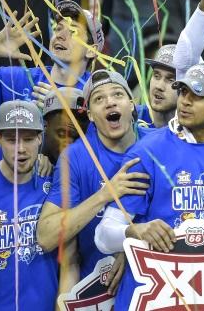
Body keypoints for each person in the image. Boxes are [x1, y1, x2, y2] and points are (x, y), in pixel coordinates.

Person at [95, 62, 204, 310]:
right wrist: (135, 231)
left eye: (197, 95)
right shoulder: (147, 152)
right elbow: (104, 235)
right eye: (183, 92)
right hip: (152, 297)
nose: (185, 101)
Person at [37, 70, 151, 283]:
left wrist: (131, 249)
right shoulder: (75, 157)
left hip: (155, 281)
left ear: (132, 103)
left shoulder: (157, 146)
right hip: (98, 289)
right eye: (99, 98)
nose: (110, 103)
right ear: (89, 115)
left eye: (117, 94)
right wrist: (104, 195)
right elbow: (46, 236)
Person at [0, 101, 58, 310]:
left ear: (40, 138)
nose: (21, 149)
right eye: (12, 140)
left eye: (29, 139)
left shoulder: (52, 184)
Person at [0, 0, 104, 132]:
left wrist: (61, 113)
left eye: (72, 31)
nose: (60, 35)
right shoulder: (14, 80)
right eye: (58, 28)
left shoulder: (99, 94)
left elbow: (110, 143)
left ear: (91, 50)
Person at [0, 87, 89, 168]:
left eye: (78, 138)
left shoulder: (77, 167)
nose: (69, 145)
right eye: (62, 134)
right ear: (44, 126)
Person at [142, 44, 178, 128]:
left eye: (171, 80)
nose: (159, 86)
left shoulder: (196, 130)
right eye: (156, 76)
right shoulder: (131, 117)